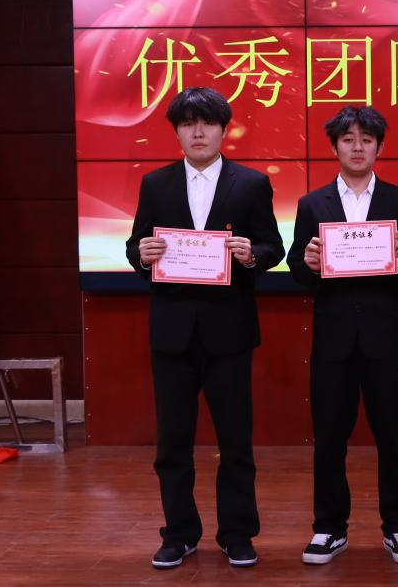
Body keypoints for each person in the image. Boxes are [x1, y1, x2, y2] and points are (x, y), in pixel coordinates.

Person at [125, 86, 285, 570]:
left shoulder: (251, 184)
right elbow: (136, 246)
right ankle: (179, 534)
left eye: (207, 123)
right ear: (176, 132)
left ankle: (237, 534)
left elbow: (273, 246)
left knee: (235, 441)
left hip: (228, 332)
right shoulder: (155, 183)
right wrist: (142, 256)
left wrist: (251, 254)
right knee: (172, 442)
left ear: (223, 130)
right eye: (188, 123)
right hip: (172, 333)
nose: (198, 132)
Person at [286, 106, 398, 565]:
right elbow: (296, 267)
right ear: (334, 147)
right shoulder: (312, 204)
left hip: (386, 339)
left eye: (366, 139)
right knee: (329, 439)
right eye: (348, 139)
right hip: (333, 341)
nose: (357, 147)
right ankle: (329, 528)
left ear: (379, 147)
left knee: (394, 438)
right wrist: (309, 265)